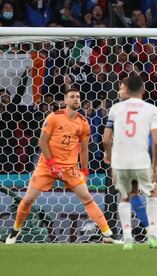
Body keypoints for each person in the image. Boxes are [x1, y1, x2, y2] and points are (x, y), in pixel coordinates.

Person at [6, 88, 118, 244]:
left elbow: (84, 149)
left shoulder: (83, 122)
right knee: (28, 199)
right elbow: (42, 142)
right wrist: (52, 164)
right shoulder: (53, 117)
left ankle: (108, 235)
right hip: (47, 165)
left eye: (78, 97)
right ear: (65, 101)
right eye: (72, 97)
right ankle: (15, 231)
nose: (76, 99)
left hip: (70, 168)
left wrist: (85, 171)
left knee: (87, 198)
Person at [103, 74, 157, 250]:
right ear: (143, 90)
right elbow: (156, 141)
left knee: (125, 196)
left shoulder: (115, 108)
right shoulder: (151, 109)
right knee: (153, 193)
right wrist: (155, 164)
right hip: (141, 160)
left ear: (127, 89)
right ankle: (153, 237)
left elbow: (106, 139)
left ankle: (128, 239)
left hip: (120, 161)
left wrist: (109, 156)